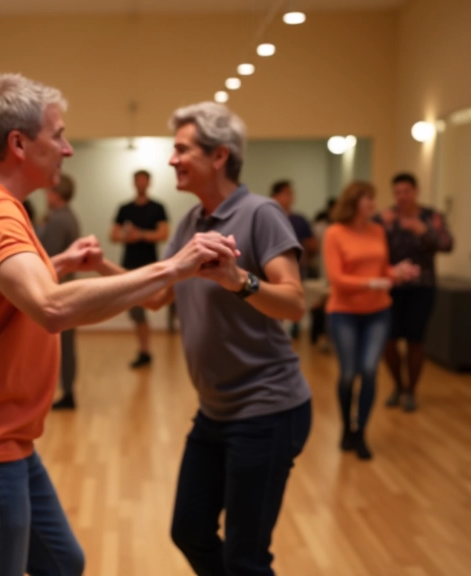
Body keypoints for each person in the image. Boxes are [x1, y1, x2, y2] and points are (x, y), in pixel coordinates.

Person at [0, 74, 235, 576]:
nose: (67, 149)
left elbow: (1, 290)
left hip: (4, 439)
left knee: (63, 564)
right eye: (58, 135)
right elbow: (51, 309)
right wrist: (175, 266)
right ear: (19, 143)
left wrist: (59, 262)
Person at [99, 102, 314, 576]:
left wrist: (241, 281)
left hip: (268, 409)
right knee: (189, 530)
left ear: (219, 156)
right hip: (216, 410)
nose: (172, 159)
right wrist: (99, 267)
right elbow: (157, 298)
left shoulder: (262, 214)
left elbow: (295, 302)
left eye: (181, 149)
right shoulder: (191, 222)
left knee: (246, 557)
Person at [323, 182, 419, 460]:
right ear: (354, 202)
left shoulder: (377, 231)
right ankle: (346, 427)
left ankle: (361, 431)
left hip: (378, 311)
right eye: (367, 198)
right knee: (348, 373)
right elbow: (337, 279)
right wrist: (374, 282)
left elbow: (381, 270)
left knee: (368, 370)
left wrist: (396, 272)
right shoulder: (335, 233)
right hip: (344, 312)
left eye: (373, 199)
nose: (372, 204)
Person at [377, 173, 454, 412]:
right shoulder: (385, 218)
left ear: (416, 191)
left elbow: (447, 244)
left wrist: (423, 230)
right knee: (388, 341)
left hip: (422, 287)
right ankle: (397, 386)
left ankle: (411, 391)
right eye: (397, 192)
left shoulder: (431, 217)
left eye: (406, 192)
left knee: (415, 340)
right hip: (391, 288)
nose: (402, 197)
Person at [110, 169, 169, 368]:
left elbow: (163, 234)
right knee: (136, 312)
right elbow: (113, 235)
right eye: (138, 181)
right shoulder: (124, 208)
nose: (141, 184)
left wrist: (141, 235)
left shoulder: (158, 208)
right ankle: (145, 351)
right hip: (130, 266)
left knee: (151, 304)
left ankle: (145, 351)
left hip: (151, 266)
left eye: (144, 180)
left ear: (149, 183)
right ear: (134, 183)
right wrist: (128, 236)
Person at [39, 174, 81, 410]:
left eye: (48, 192)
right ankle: (67, 391)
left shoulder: (59, 220)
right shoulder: (65, 217)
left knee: (62, 347)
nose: (45, 196)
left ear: (57, 194)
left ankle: (66, 393)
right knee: (65, 345)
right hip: (65, 289)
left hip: (58, 291)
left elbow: (49, 254)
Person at [271, 180, 318, 339]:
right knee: (274, 302)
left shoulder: (299, 220)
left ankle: (294, 331)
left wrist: (303, 257)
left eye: (291, 193)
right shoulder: (267, 217)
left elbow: (312, 244)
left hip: (297, 269)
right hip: (270, 270)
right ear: (275, 196)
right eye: (286, 193)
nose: (290, 197)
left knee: (294, 301)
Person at [308, 198, 336, 351]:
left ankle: (325, 338)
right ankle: (320, 337)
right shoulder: (321, 228)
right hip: (322, 272)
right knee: (322, 304)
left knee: (326, 305)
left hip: (332, 276)